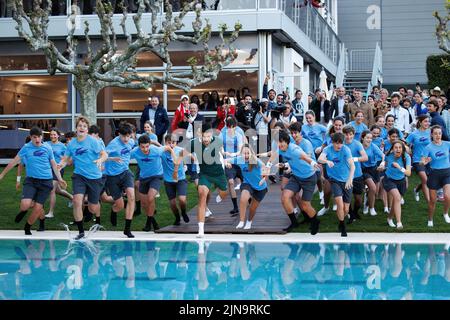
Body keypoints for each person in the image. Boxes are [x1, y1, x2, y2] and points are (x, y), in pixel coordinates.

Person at [0, 127, 66, 235]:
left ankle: (28, 226)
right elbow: (14, 162)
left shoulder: (47, 148)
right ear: (31, 137)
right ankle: (23, 211)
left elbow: (54, 165)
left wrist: (60, 179)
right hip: (31, 181)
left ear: (42, 136)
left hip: (46, 182)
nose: (37, 139)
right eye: (34, 137)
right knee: (25, 205)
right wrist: (2, 174)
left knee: (37, 207)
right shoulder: (26, 148)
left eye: (39, 137)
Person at [59, 117, 107, 240]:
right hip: (79, 175)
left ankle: (92, 213)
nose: (82, 128)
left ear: (87, 129)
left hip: (94, 177)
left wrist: (100, 160)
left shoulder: (93, 141)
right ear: (76, 128)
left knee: (92, 207)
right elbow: (65, 159)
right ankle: (81, 232)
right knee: (76, 201)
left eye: (84, 126)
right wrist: (61, 165)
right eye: (80, 125)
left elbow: (104, 154)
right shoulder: (72, 144)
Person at [276, 131, 321, 234]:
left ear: (287, 142)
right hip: (296, 176)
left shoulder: (294, 150)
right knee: (285, 197)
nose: (280, 144)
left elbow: (305, 157)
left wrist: (313, 163)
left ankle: (315, 221)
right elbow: (272, 153)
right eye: (278, 142)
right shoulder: (281, 149)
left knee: (305, 204)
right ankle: (294, 222)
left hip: (309, 178)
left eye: (282, 142)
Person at [190, 123, 229, 237]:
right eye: (204, 136)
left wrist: (225, 160)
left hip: (218, 173)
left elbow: (222, 152)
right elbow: (183, 153)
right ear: (199, 134)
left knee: (223, 193)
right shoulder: (194, 143)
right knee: (202, 195)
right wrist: (177, 168)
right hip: (205, 174)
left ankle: (221, 194)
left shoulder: (217, 141)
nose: (206, 139)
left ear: (211, 134)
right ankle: (201, 230)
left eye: (208, 136)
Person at [131, 134, 173, 232]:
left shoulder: (156, 150)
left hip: (156, 176)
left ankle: (148, 224)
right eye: (142, 147)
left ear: (150, 144)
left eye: (147, 146)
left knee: (150, 197)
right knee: (144, 204)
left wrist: (173, 156)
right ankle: (153, 222)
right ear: (138, 146)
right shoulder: (135, 152)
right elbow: (123, 157)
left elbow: (168, 147)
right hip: (144, 178)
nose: (145, 149)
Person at [318, 132, 355, 237]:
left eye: (341, 143)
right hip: (335, 180)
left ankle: (342, 219)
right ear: (332, 142)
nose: (339, 145)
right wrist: (327, 161)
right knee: (339, 203)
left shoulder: (346, 150)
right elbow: (319, 159)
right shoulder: (327, 149)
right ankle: (342, 226)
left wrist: (350, 179)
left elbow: (352, 166)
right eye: (336, 143)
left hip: (347, 180)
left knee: (346, 209)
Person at [224, 144, 269, 230]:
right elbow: (226, 160)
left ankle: (249, 221)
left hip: (261, 187)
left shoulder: (256, 161)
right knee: (243, 198)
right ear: (241, 154)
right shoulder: (240, 159)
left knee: (252, 208)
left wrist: (264, 179)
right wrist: (227, 163)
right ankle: (241, 221)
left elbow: (265, 168)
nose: (246, 155)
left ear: (251, 153)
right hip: (247, 184)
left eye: (248, 153)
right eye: (244, 153)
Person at [104, 122, 136, 238]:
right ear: (119, 134)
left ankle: (127, 229)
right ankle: (114, 210)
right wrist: (113, 158)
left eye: (129, 136)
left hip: (125, 172)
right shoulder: (113, 144)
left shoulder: (131, 141)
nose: (126, 139)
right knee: (120, 205)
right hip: (112, 177)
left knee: (132, 196)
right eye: (124, 136)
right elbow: (102, 157)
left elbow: (137, 140)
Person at [421, 125, 450, 227]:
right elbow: (422, 162)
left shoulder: (447, 144)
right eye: (435, 133)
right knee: (432, 201)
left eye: (439, 133)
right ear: (432, 135)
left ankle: (446, 213)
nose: (438, 135)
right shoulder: (428, 147)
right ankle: (430, 219)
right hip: (434, 175)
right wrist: (425, 161)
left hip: (447, 173)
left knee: (447, 196)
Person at [381, 140, 411, 229]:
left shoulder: (406, 157)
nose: (398, 149)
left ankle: (390, 218)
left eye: (400, 147)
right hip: (389, 180)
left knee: (396, 201)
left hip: (401, 181)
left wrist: (399, 167)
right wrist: (381, 167)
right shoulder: (388, 156)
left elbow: (408, 173)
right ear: (392, 149)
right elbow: (384, 164)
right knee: (397, 198)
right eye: (396, 147)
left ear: (402, 149)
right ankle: (399, 223)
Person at [161, 134, 190, 226]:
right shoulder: (161, 152)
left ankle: (184, 212)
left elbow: (190, 156)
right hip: (168, 181)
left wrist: (191, 160)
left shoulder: (180, 150)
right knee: (172, 203)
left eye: (173, 143)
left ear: (176, 143)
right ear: (165, 143)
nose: (171, 145)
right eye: (168, 143)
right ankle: (177, 218)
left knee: (182, 200)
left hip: (180, 179)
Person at [45, 128, 73, 219]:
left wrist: (61, 158)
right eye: (51, 135)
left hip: (57, 169)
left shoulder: (62, 146)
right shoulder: (46, 144)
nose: (53, 136)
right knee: (58, 191)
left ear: (58, 136)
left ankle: (51, 212)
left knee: (52, 190)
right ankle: (72, 198)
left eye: (54, 134)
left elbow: (68, 160)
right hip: (47, 169)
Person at [343, 125, 368, 223]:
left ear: (353, 135)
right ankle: (351, 215)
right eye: (346, 134)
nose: (348, 137)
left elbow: (365, 157)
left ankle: (355, 212)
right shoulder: (341, 144)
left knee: (358, 199)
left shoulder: (357, 144)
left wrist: (354, 159)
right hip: (345, 176)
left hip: (357, 175)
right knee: (347, 198)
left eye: (350, 134)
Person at [221, 116, 246, 215]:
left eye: (232, 127)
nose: (230, 129)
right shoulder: (222, 133)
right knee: (231, 182)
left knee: (245, 183)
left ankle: (248, 199)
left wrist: (232, 154)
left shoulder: (238, 134)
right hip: (228, 162)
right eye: (229, 127)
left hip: (239, 161)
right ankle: (235, 206)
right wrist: (224, 153)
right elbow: (219, 146)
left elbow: (240, 149)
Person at [406, 115, 431, 204]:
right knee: (425, 179)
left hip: (428, 160)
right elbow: (405, 144)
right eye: (425, 121)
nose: (427, 123)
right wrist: (407, 149)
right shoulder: (414, 134)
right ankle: (429, 202)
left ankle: (416, 189)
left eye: (428, 121)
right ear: (420, 122)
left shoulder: (430, 132)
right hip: (417, 160)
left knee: (429, 180)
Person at [361, 130, 384, 216]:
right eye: (367, 137)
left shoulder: (373, 146)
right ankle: (371, 208)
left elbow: (383, 156)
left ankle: (366, 203)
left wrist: (382, 163)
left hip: (374, 169)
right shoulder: (359, 147)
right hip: (364, 170)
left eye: (371, 138)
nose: (369, 140)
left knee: (375, 191)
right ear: (362, 138)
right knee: (373, 188)